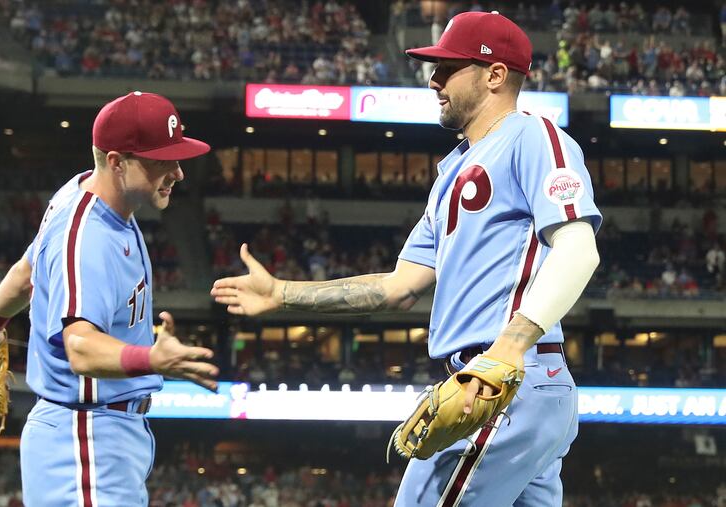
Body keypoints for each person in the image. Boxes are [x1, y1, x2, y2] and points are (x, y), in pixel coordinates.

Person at [212, 11, 601, 506]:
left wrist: (508, 347)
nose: (433, 80)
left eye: (447, 68)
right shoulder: (452, 171)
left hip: (503, 381)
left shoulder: (532, 137)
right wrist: (284, 294)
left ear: (496, 75)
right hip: (503, 382)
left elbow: (578, 247)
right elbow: (399, 287)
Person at [0, 91, 219, 506]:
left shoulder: (80, 192)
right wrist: (152, 360)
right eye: (162, 161)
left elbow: (29, 272)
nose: (178, 172)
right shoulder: (90, 237)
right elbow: (80, 347)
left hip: (98, 436)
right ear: (117, 162)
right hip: (85, 438)